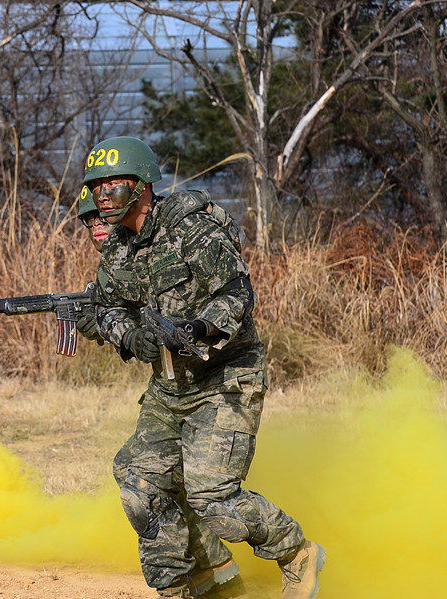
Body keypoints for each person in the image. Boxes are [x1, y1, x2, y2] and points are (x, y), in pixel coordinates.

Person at [83, 136, 325, 599]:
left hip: (227, 378)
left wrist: (194, 330)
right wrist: (129, 337)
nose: (103, 195)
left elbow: (237, 296)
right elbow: (106, 306)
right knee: (139, 482)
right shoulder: (116, 248)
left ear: (141, 185)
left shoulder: (192, 229)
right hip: (170, 389)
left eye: (113, 184)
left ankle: (297, 553)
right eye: (97, 187)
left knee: (213, 499)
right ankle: (190, 582)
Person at [74, 185, 247, 598]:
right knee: (140, 477)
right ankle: (212, 572)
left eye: (101, 218)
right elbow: (120, 315)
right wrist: (109, 327)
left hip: (214, 371)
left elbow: (203, 300)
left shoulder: (162, 240)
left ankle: (220, 568)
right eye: (89, 221)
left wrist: (120, 326)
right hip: (171, 383)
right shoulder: (117, 259)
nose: (97, 225)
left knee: (201, 490)